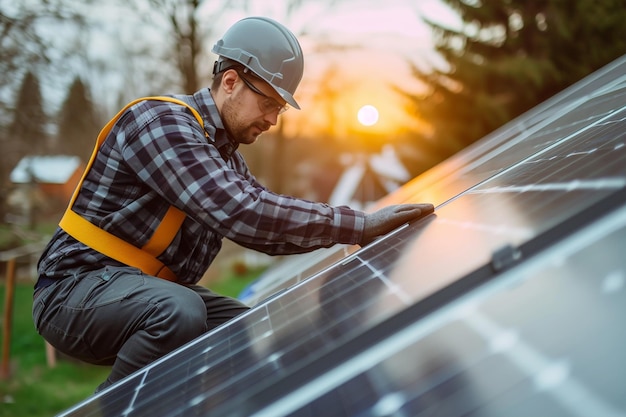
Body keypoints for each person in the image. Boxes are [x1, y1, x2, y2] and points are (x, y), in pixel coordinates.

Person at [32, 16, 434, 392]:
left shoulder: (225, 158)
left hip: (140, 291)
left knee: (240, 330)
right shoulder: (160, 123)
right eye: (269, 104)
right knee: (180, 310)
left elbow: (267, 227)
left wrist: (351, 239)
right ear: (230, 82)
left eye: (279, 109)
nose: (273, 120)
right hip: (72, 292)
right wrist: (357, 225)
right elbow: (242, 212)